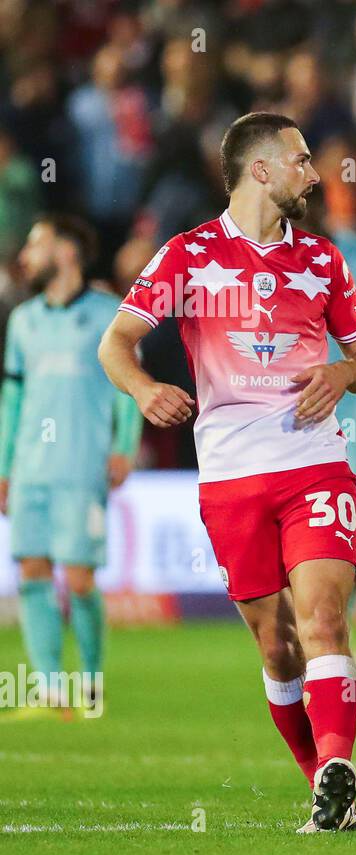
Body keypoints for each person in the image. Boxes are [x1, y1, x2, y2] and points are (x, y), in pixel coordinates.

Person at [97, 112, 356, 832]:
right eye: (302, 161)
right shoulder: (187, 256)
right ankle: (322, 784)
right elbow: (117, 342)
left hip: (314, 466)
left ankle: (341, 764)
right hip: (229, 479)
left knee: (323, 617)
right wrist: (143, 389)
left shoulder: (322, 260)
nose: (315, 175)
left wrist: (343, 371)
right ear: (260, 170)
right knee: (277, 643)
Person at [0, 215, 140, 716]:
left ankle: (92, 679)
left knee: (79, 578)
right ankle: (48, 683)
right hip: (31, 469)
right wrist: (4, 464)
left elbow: (129, 389)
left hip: (83, 466)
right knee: (33, 569)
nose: (26, 257)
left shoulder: (109, 314)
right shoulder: (24, 320)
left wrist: (125, 444)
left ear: (66, 252)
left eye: (36, 245)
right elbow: (12, 398)